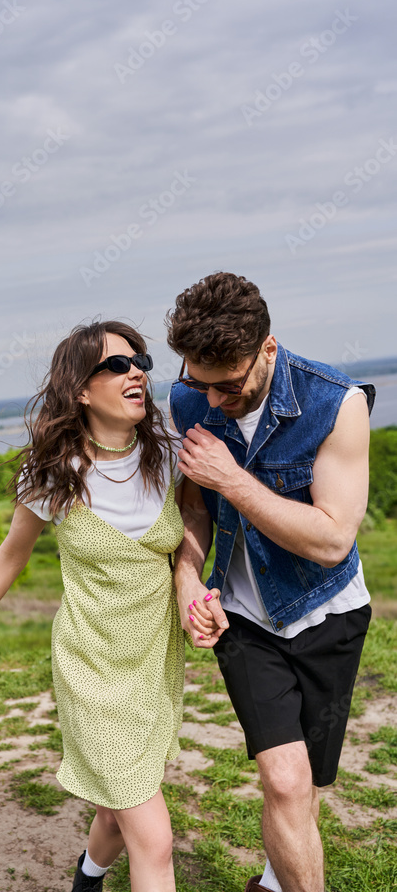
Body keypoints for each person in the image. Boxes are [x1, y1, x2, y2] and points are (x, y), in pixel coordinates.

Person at [0, 320, 224, 892]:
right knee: (153, 838)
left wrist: (194, 586)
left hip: (153, 665)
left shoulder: (167, 458)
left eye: (140, 361)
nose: (135, 370)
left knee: (119, 805)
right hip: (92, 668)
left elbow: (194, 522)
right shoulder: (55, 474)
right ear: (81, 391)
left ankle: (86, 880)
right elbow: (11, 556)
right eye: (116, 364)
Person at [166, 272, 375, 892]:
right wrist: (186, 577)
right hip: (244, 621)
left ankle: (275, 878)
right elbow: (195, 508)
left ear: (268, 348)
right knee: (284, 780)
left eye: (227, 386)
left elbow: (333, 537)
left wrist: (232, 480)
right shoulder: (190, 400)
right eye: (195, 383)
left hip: (329, 611)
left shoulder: (335, 404)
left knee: (308, 782)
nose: (209, 402)